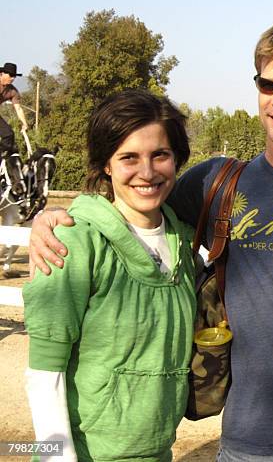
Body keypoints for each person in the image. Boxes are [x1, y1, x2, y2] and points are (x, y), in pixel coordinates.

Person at [29, 15, 273, 461]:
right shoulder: (214, 184)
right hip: (246, 444)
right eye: (268, 84)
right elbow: (130, 200)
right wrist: (56, 216)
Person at [24, 89, 195, 461]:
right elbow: (44, 373)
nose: (147, 173)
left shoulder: (183, 241)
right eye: (128, 157)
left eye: (160, 155)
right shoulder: (71, 243)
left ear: (176, 158)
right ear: (106, 164)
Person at [0, 62, 28, 151]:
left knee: (9, 134)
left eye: (14, 76)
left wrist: (24, 123)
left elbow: (18, 109)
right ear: (2, 73)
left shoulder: (12, 91)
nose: (12, 78)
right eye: (11, 75)